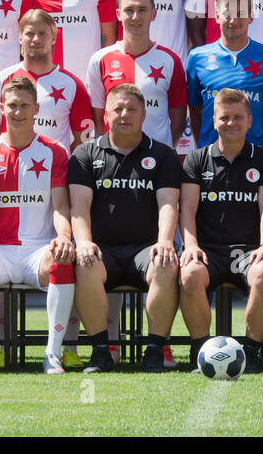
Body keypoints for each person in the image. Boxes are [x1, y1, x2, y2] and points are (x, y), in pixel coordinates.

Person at [0, 76, 75, 375]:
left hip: (39, 249)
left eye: (25, 105)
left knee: (62, 255)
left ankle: (52, 354)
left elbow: (61, 206)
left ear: (37, 108)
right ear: (1, 107)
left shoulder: (56, 151)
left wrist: (64, 235)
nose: (18, 112)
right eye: (12, 105)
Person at [67, 83, 182, 373]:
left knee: (166, 264)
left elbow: (169, 203)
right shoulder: (85, 153)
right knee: (85, 264)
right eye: (118, 109)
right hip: (103, 250)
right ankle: (101, 351)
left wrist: (166, 241)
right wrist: (82, 242)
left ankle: (155, 350)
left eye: (132, 109)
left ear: (144, 115)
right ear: (105, 115)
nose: (124, 114)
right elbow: (78, 208)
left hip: (146, 249)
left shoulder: (164, 155)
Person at [178, 89, 263, 373]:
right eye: (225, 117)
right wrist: (191, 246)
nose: (231, 123)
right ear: (214, 120)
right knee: (189, 273)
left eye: (238, 118)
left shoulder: (262, 159)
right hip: (209, 251)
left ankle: (250, 352)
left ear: (249, 121)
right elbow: (186, 210)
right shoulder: (197, 160)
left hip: (247, 251)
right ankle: (200, 351)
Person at [87, 0, 187, 149]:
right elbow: (98, 120)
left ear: (153, 14)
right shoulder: (99, 60)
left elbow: (179, 120)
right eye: (129, 10)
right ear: (118, 14)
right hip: (114, 160)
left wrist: (162, 152)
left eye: (142, 10)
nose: (135, 16)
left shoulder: (170, 60)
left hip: (157, 162)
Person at [185, 0, 263, 150]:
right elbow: (194, 110)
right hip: (211, 155)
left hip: (254, 157)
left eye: (240, 14)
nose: (233, 20)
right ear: (217, 16)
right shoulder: (197, 57)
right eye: (228, 14)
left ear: (251, 17)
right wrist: (204, 147)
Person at [0, 9, 93, 150]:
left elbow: (83, 142)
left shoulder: (73, 85)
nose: (36, 39)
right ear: (20, 37)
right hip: (10, 170)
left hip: (55, 170)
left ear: (54, 37)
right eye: (30, 33)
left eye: (42, 34)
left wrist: (61, 164)